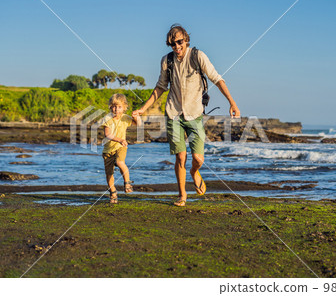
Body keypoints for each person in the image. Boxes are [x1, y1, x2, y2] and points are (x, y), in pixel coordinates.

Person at [133, 24, 240, 207]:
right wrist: (144, 108)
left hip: (195, 114)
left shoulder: (198, 56)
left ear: (186, 40)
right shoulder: (167, 61)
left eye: (179, 42)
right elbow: (160, 87)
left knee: (198, 159)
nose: (176, 46)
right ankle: (182, 195)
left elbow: (217, 78)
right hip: (173, 113)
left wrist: (232, 102)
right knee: (180, 156)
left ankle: (194, 172)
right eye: (172, 44)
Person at [101, 93, 142, 204]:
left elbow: (138, 124)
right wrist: (119, 139)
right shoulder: (107, 118)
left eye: (119, 107)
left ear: (124, 107)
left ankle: (127, 182)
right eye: (114, 106)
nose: (116, 109)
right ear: (110, 107)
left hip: (121, 147)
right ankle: (113, 192)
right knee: (109, 174)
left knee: (120, 162)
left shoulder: (125, 118)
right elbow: (107, 134)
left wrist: (137, 117)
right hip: (108, 150)